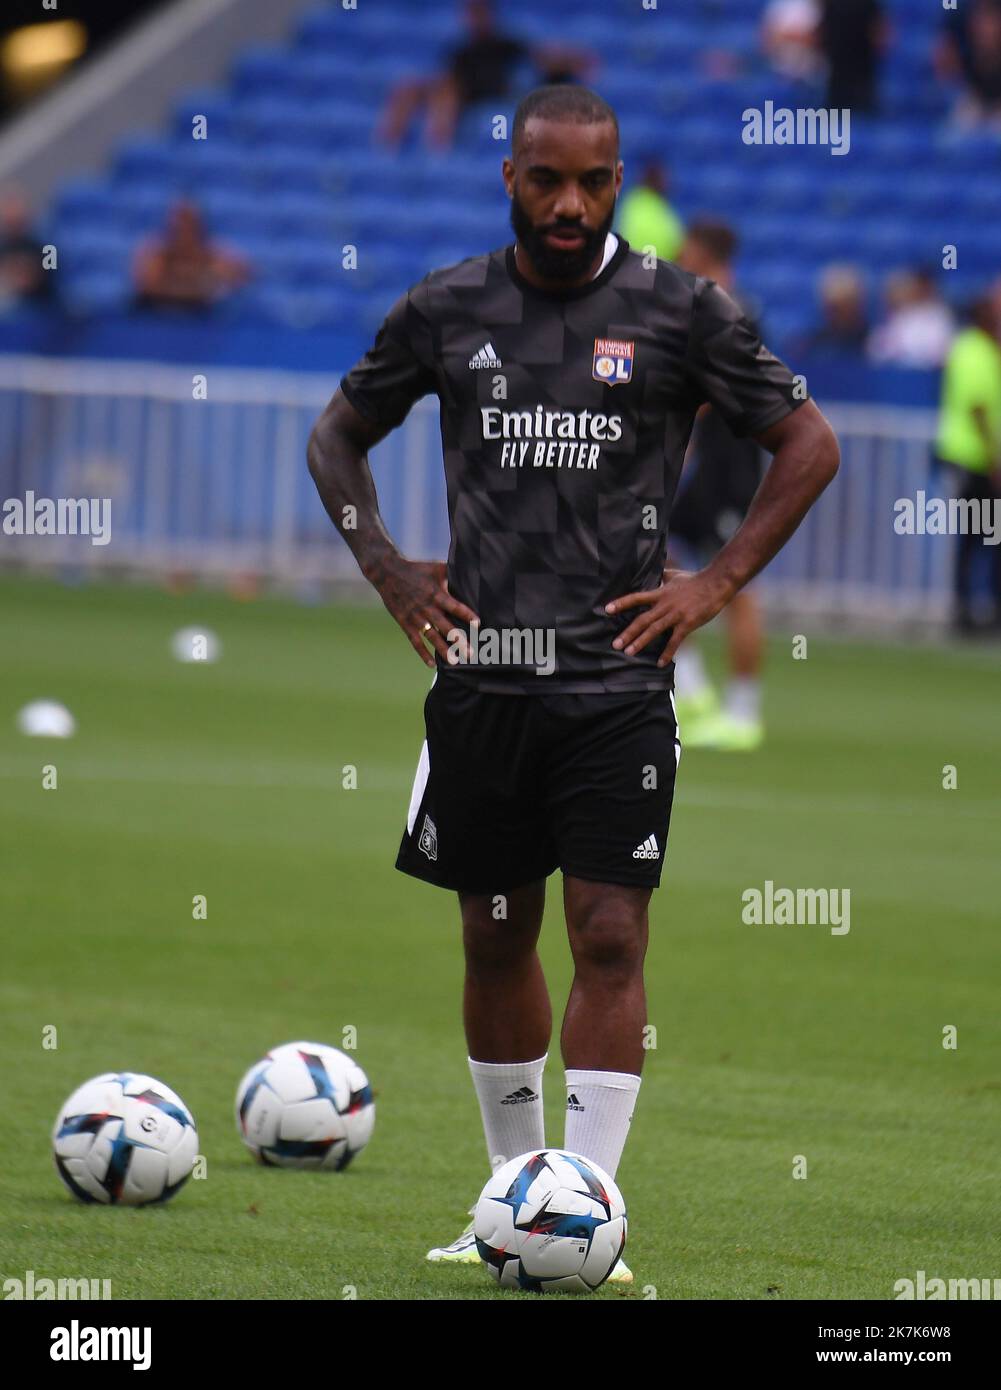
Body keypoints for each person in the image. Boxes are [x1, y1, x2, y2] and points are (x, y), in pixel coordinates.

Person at [307, 85, 839, 1284]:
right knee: (495, 936)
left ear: (616, 180)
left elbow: (807, 444)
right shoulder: (447, 308)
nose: (566, 201)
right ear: (509, 177)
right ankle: (506, 1201)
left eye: (590, 181)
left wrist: (711, 586)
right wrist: (388, 572)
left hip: (615, 687)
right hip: (483, 682)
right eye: (544, 178)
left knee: (607, 933)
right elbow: (334, 437)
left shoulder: (678, 308)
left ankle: (591, 1214)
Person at [668, 220, 770, 751]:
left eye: (686, 248)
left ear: (704, 252)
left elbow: (722, 389)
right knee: (654, 554)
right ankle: (689, 685)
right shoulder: (710, 305)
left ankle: (744, 712)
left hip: (734, 474)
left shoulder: (733, 312)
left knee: (739, 591)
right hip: (710, 472)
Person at [377, 0, 594, 152]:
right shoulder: (460, 50)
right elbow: (448, 75)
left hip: (490, 94)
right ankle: (387, 146)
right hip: (462, 94)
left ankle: (437, 149)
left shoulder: (505, 44)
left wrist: (573, 61)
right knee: (411, 88)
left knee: (447, 94)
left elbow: (539, 57)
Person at [933, 286, 1001, 632]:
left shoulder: (975, 349)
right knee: (980, 536)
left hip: (968, 456)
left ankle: (971, 608)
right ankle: (968, 611)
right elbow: (977, 408)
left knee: (979, 536)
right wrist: (994, 460)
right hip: (970, 457)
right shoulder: (975, 351)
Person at [132, 200, 250, 312]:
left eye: (188, 223)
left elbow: (243, 277)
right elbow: (148, 287)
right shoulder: (157, 254)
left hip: (201, 318)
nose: (183, 229)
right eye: (179, 223)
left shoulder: (214, 256)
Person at [867, 268, 954, 370]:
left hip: (928, 377)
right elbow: (877, 352)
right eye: (918, 287)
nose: (921, 291)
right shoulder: (902, 315)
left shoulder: (941, 317)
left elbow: (943, 354)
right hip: (898, 375)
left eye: (925, 287)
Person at [936, 0, 1001, 132]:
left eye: (990, 20)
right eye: (979, 20)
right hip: (976, 106)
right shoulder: (965, 50)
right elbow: (945, 79)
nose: (983, 27)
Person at [818, 0, 887, 114]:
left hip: (862, 80)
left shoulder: (868, 4)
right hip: (837, 79)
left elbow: (881, 39)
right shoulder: (829, 5)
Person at [616, 157, 684, 264]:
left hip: (629, 266)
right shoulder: (660, 208)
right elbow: (676, 246)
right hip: (657, 268)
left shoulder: (631, 201)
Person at [798, 263, 869, 359]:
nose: (838, 315)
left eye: (845, 306)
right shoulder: (814, 345)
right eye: (834, 308)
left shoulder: (873, 343)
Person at [0, 188, 53, 308]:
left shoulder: (47, 242)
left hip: (48, 302)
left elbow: (53, 270)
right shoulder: (4, 248)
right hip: (21, 307)